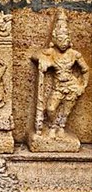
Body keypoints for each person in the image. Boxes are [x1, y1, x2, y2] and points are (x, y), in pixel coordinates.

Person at [36, 9, 89, 138]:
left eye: (65, 38)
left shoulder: (74, 54)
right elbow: (35, 55)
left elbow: (85, 70)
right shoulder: (51, 52)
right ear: (55, 38)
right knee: (50, 108)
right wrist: (43, 60)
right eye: (60, 38)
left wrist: (83, 85)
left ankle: (61, 127)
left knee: (66, 110)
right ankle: (53, 125)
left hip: (71, 86)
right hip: (58, 87)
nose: (63, 42)